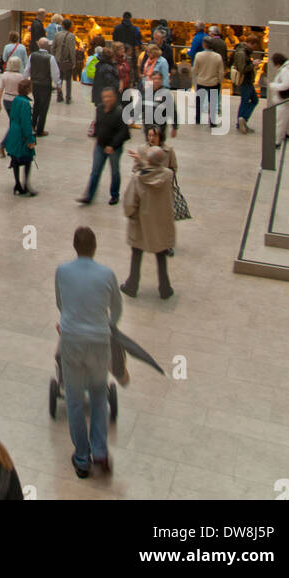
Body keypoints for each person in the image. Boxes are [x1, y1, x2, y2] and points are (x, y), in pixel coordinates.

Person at [54, 226, 122, 478]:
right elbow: (116, 309)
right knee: (97, 396)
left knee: (73, 399)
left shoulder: (62, 271)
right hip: (98, 342)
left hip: (72, 341)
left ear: (75, 247)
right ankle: (101, 452)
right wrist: (107, 325)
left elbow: (60, 303)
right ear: (95, 247)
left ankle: (82, 458)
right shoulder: (107, 274)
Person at [121, 146, 175, 299]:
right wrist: (144, 161)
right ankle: (165, 288)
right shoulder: (168, 175)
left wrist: (130, 214)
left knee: (137, 253)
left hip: (142, 223)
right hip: (160, 222)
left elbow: (130, 202)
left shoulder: (138, 178)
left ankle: (132, 285)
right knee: (161, 254)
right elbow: (157, 170)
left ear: (149, 160)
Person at [77, 85, 130, 206]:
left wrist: (113, 145)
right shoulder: (99, 109)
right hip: (100, 146)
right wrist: (96, 137)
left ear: (114, 98)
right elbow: (98, 124)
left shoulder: (119, 112)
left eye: (109, 97)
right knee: (95, 171)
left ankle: (114, 194)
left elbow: (124, 132)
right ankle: (89, 196)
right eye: (105, 97)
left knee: (115, 172)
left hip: (114, 148)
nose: (107, 99)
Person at [4, 80, 36, 196]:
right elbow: (26, 123)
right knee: (27, 159)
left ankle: (17, 183)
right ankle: (26, 185)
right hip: (21, 135)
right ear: (28, 89)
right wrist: (30, 138)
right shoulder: (25, 103)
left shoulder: (16, 100)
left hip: (13, 131)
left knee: (15, 160)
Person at [28, 37, 59, 138]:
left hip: (35, 84)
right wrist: (58, 85)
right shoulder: (50, 58)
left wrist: (25, 80)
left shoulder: (32, 56)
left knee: (36, 104)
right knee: (44, 107)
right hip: (45, 85)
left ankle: (32, 125)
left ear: (38, 45)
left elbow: (27, 69)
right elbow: (55, 73)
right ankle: (40, 130)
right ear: (48, 46)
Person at [192, 37, 225, 128]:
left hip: (201, 81)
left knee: (199, 101)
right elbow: (221, 71)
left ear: (204, 45)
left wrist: (196, 77)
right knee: (213, 102)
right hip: (213, 82)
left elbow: (195, 69)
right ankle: (212, 121)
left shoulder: (199, 55)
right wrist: (219, 80)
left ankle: (198, 118)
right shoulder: (218, 56)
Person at [231, 39, 259, 134]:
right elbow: (242, 69)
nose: (255, 48)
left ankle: (242, 120)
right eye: (255, 46)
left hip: (248, 81)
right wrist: (253, 65)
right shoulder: (242, 53)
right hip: (245, 81)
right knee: (246, 100)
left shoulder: (243, 52)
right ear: (251, 43)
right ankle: (242, 120)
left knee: (253, 100)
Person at [52, 19, 77, 104]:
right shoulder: (71, 36)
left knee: (60, 79)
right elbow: (72, 50)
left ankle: (59, 96)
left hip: (58, 60)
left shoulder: (57, 35)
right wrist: (74, 62)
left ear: (62, 25)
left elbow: (53, 48)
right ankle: (68, 98)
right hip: (67, 61)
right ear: (70, 26)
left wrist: (55, 57)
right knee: (68, 80)